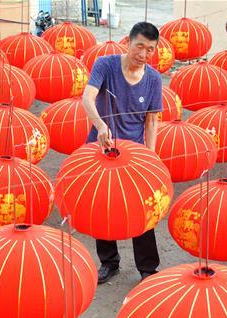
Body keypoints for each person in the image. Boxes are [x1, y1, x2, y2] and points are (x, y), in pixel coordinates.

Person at [82, 21, 163, 284]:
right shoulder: (105, 65)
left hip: (135, 155)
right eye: (140, 46)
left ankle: (148, 268)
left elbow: (151, 121)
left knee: (141, 209)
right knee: (103, 207)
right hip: (101, 150)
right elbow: (88, 97)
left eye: (150, 49)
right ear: (128, 43)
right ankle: (109, 262)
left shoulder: (153, 79)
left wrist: (150, 158)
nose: (143, 53)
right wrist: (100, 124)